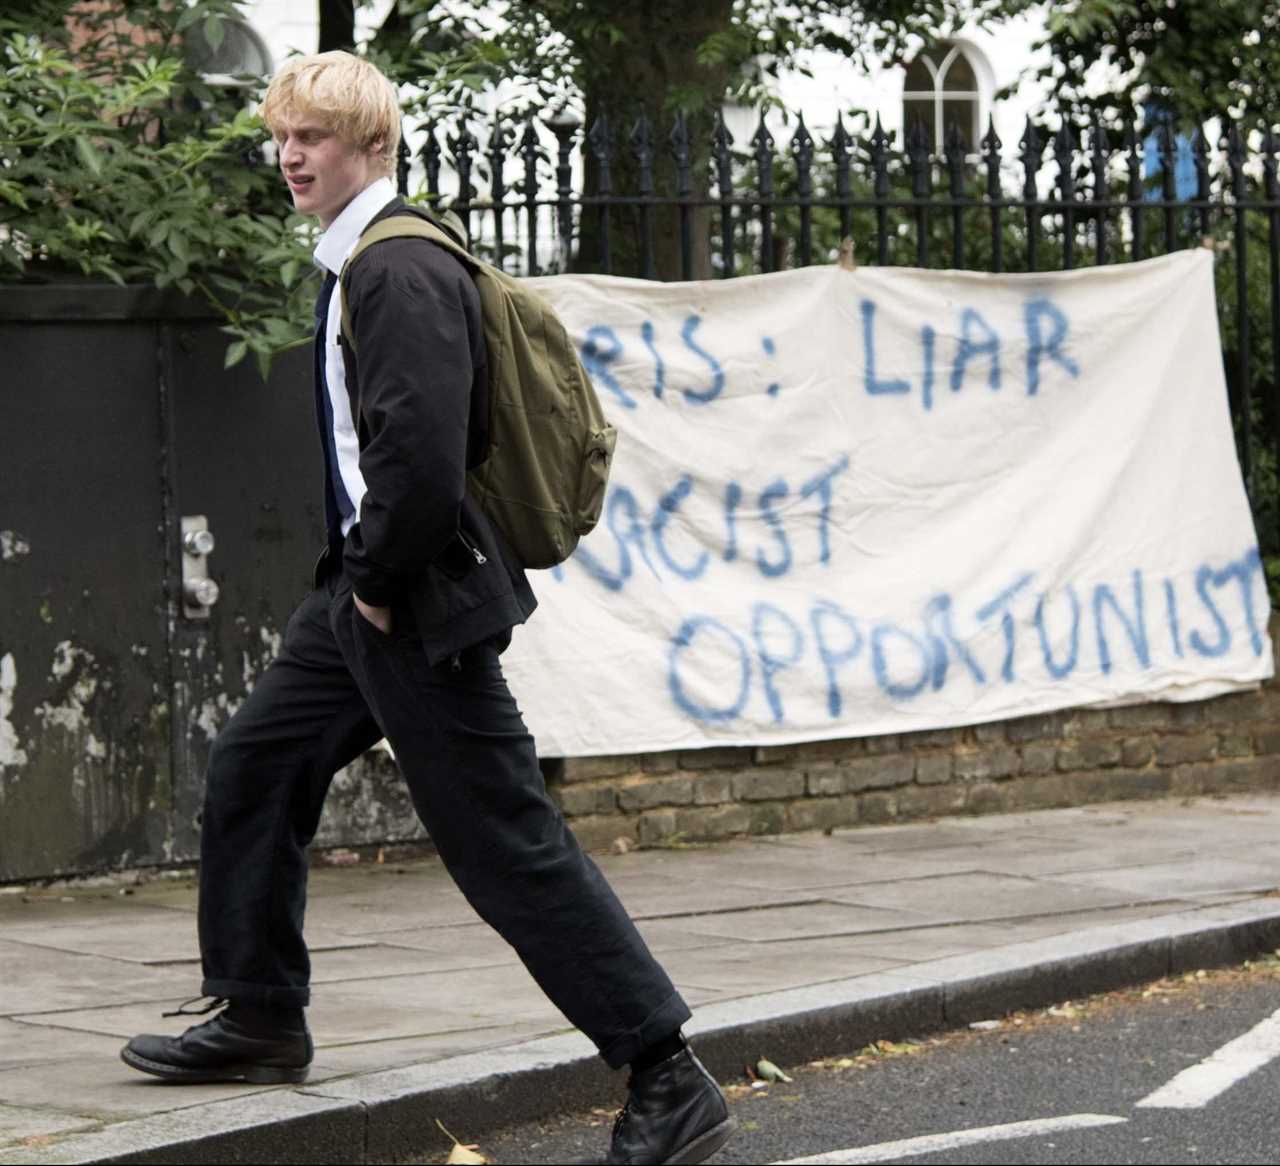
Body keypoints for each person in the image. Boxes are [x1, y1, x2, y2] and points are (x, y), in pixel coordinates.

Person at [119, 51, 735, 1166]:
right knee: (255, 767)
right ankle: (259, 1010)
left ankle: (664, 1070)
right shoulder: (362, 260)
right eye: (283, 136)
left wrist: (375, 585)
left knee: (504, 840)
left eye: (311, 136)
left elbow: (419, 463)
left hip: (411, 599)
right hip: (358, 600)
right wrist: (352, 591)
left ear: (368, 145)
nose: (289, 155)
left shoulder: (395, 270)